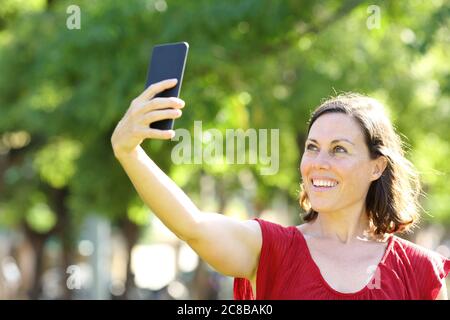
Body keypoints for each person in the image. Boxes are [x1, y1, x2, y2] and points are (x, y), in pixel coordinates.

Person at [111, 79, 450, 300]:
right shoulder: (271, 250)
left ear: (376, 166)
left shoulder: (419, 271)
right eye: (312, 147)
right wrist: (129, 153)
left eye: (339, 149)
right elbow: (193, 226)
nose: (319, 162)